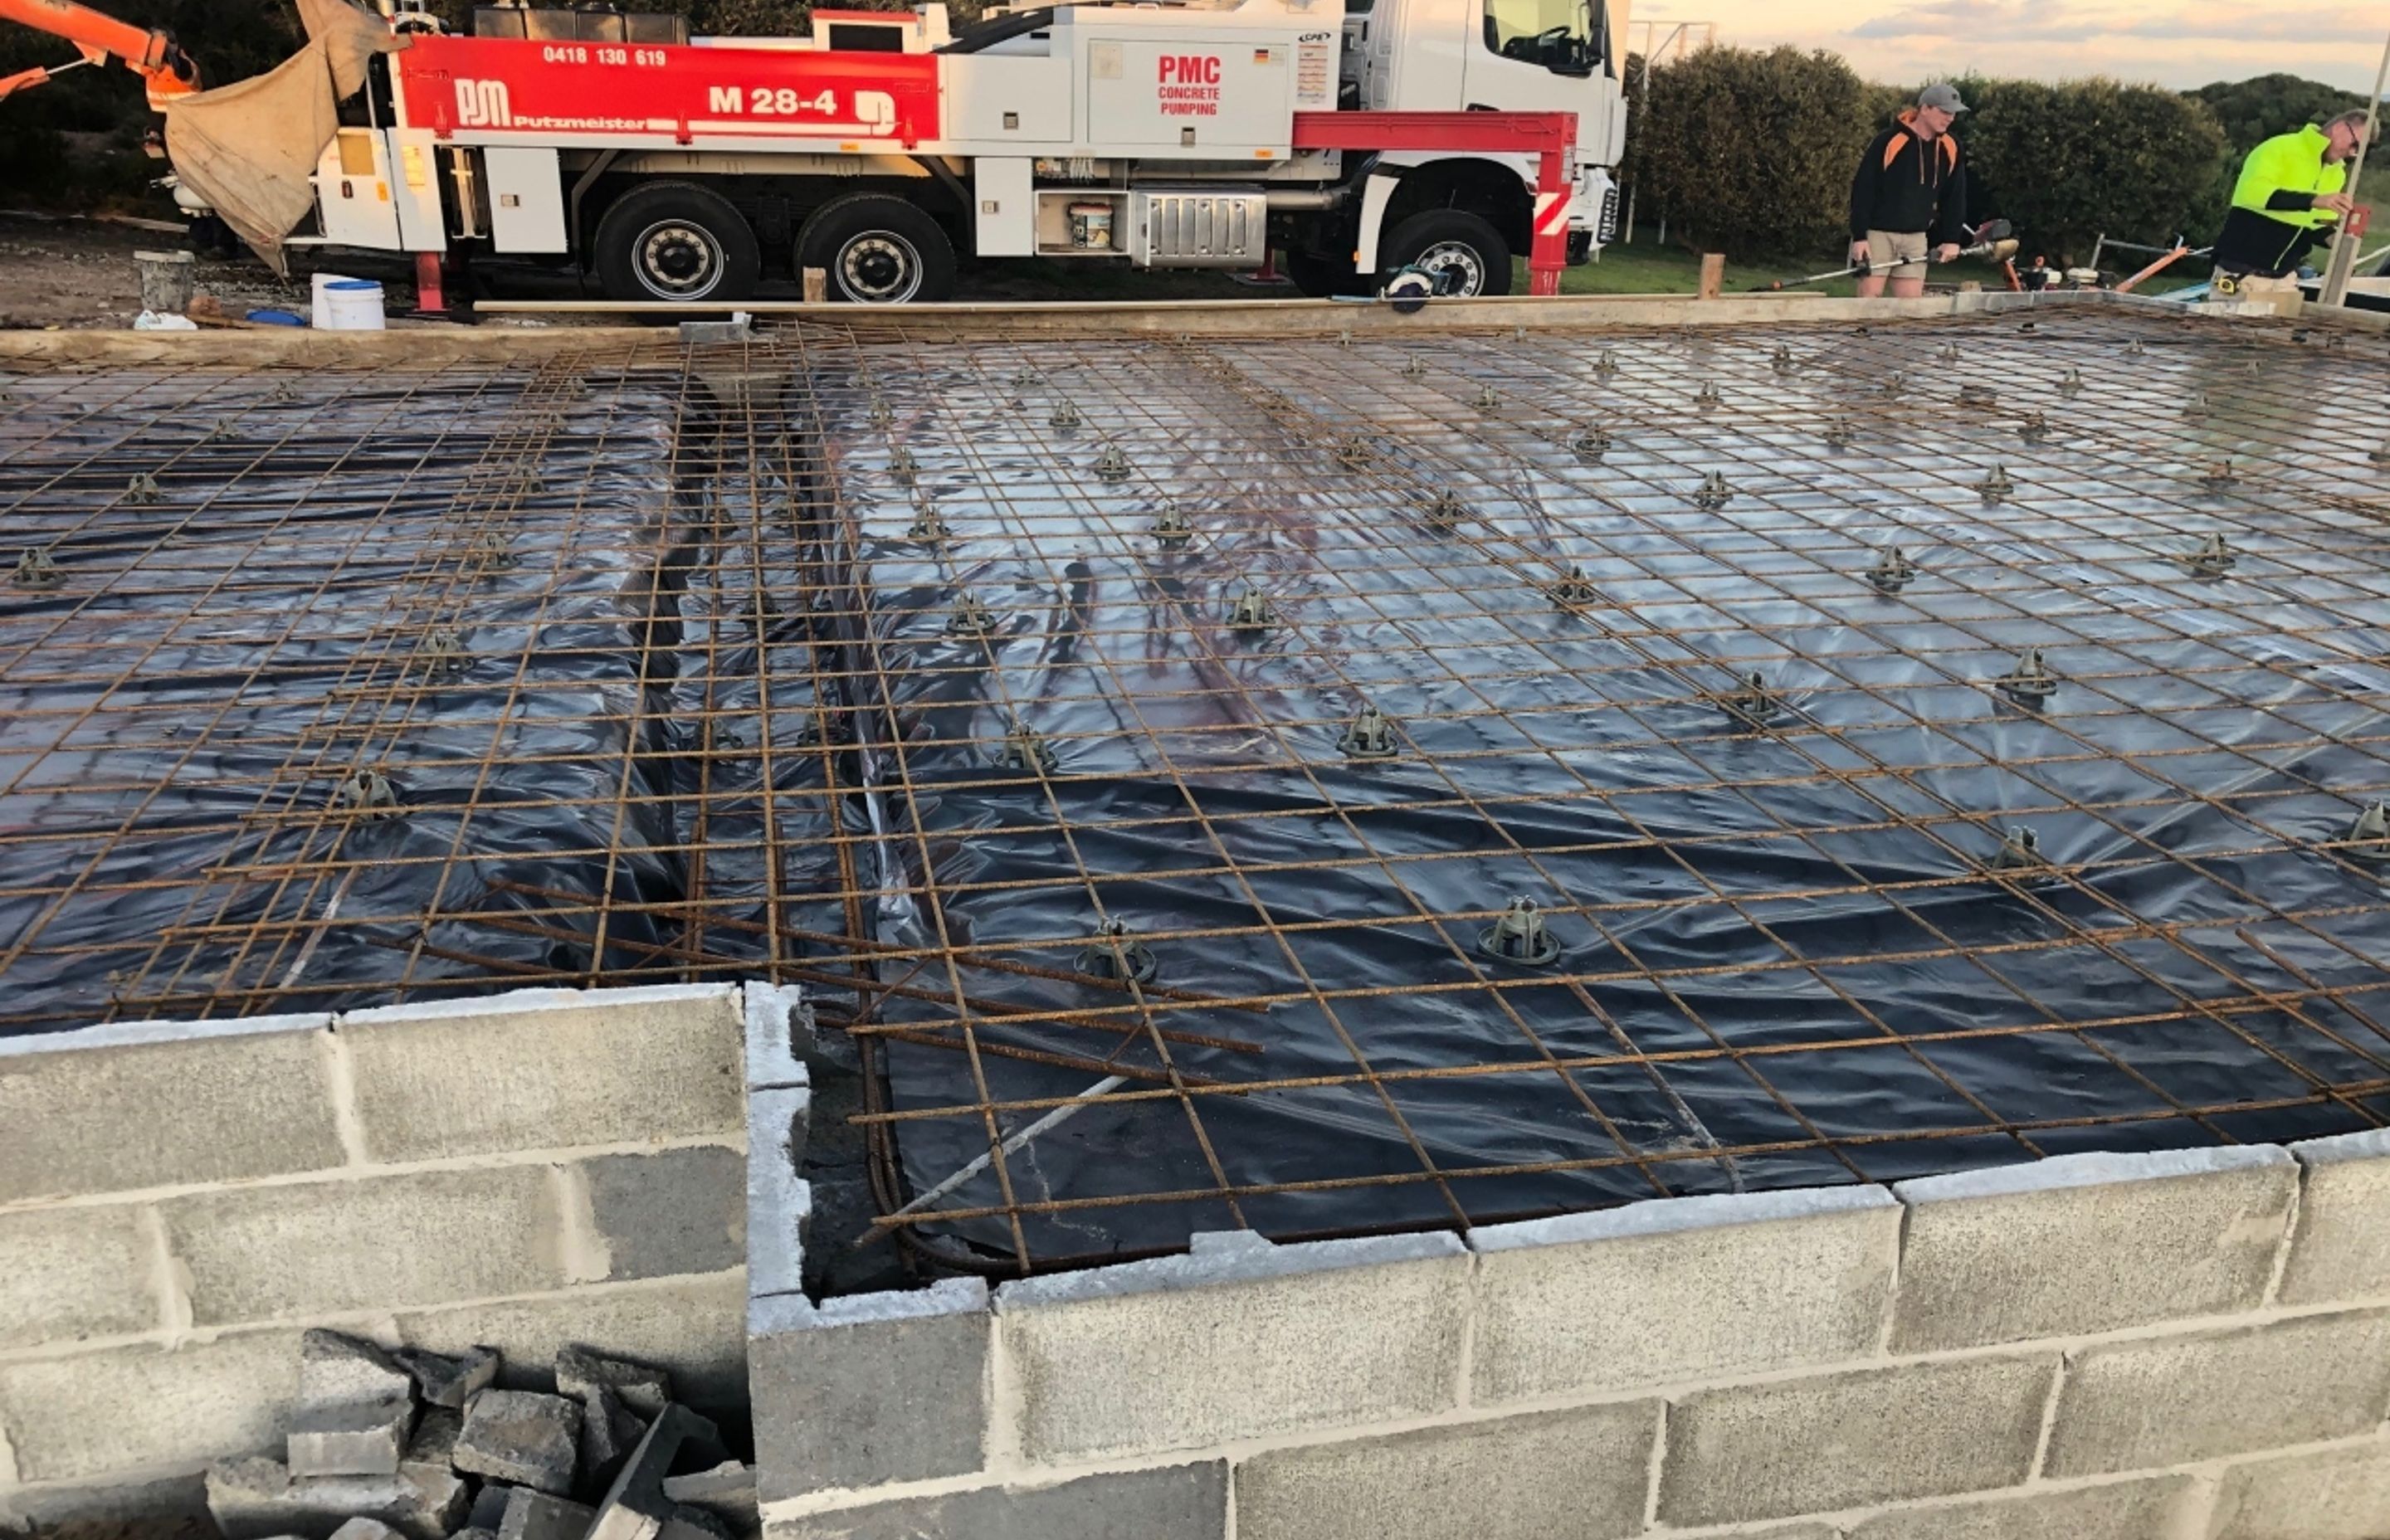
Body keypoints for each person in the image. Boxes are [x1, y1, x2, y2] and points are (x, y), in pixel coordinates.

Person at [2210, 110, 2370, 298]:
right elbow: (2253, 193)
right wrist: (2313, 200)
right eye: (2354, 144)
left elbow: (2314, 226)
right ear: (2340, 129)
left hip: (2285, 281)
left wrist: (2338, 241)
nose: (2353, 153)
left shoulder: (2337, 173)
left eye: (2359, 150)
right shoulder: (2279, 148)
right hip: (2240, 275)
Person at [1849, 84, 1971, 299]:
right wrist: (1859, 236)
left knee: (1910, 309)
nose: (1950, 118)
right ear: (1925, 109)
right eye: (1944, 111)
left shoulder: (1951, 147)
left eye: (1953, 113)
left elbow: (1955, 196)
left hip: (1916, 238)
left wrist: (1952, 239)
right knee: (1868, 303)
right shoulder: (1888, 141)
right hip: (1878, 234)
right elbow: (1863, 189)